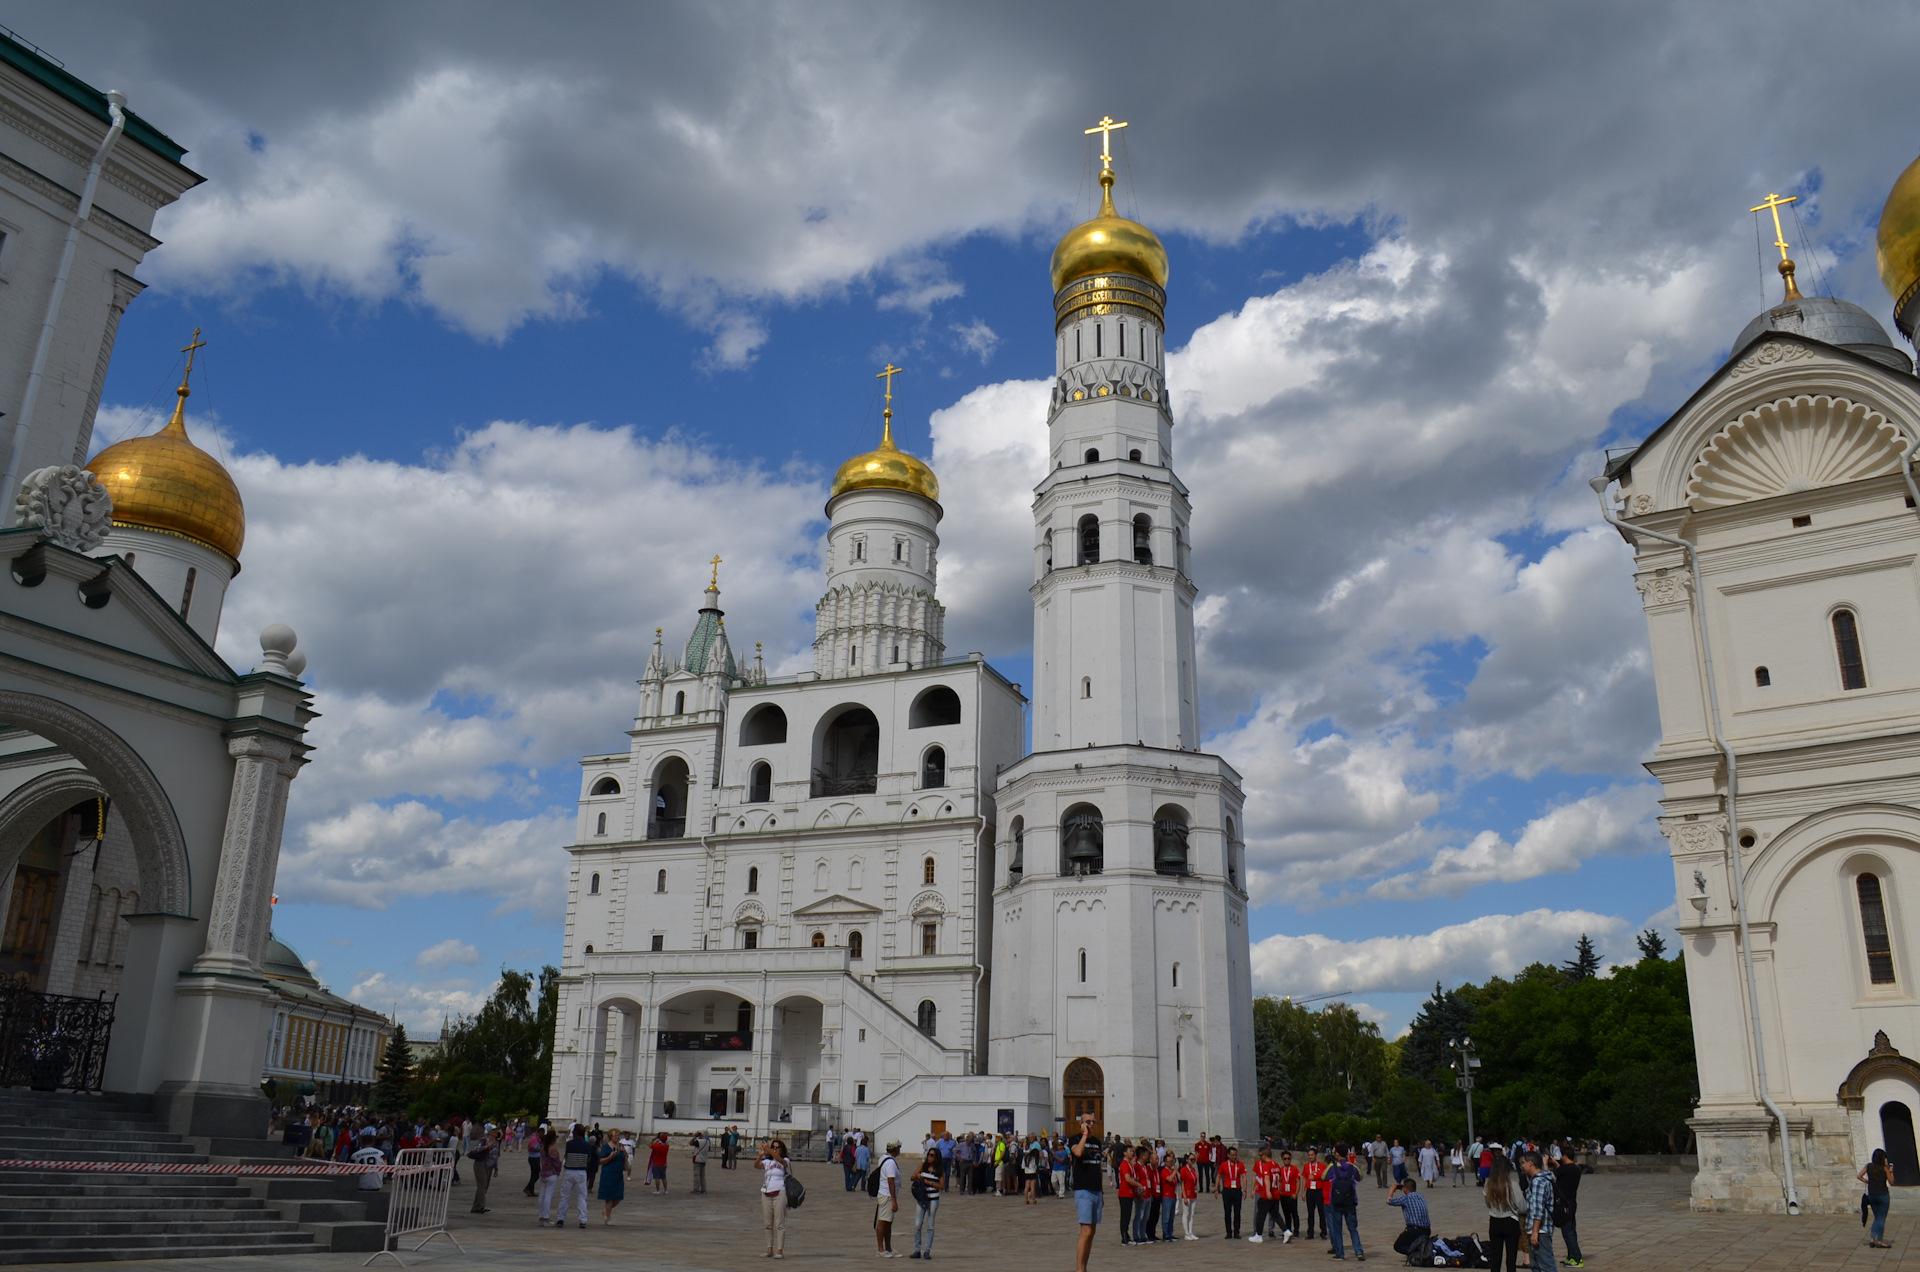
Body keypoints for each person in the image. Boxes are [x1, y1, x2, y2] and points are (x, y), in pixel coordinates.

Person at [1067, 1113, 1103, 1272]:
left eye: (1093, 1122)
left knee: (1091, 1232)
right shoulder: (1075, 1139)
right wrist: (1084, 1135)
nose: (1091, 1124)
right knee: (1086, 1231)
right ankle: (1079, 1269)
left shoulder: (1097, 1143)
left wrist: (1101, 1192)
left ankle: (1084, 1267)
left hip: (1096, 1191)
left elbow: (1098, 1168)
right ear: (1081, 1124)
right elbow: (1078, 1153)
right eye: (1088, 1122)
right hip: (1083, 1190)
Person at [1484, 1154, 1527, 1272]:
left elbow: (1487, 1203)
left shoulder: (1488, 1185)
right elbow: (1522, 1207)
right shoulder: (1512, 1185)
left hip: (1494, 1221)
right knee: (1511, 1260)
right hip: (1510, 1221)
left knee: (1495, 1259)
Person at [1326, 1142, 1365, 1262]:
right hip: (1350, 1201)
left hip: (1336, 1202)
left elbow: (1324, 1177)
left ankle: (1340, 1253)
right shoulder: (1352, 1167)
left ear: (1337, 1154)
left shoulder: (1332, 1167)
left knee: (1337, 1228)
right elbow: (1360, 1177)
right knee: (1353, 1228)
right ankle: (1358, 1251)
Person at [1519, 1152, 1557, 1272]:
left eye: (1523, 1163)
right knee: (1536, 1265)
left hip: (1541, 1230)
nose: (1521, 1166)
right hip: (1538, 1229)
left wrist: (1535, 1231)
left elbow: (1537, 1208)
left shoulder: (1538, 1182)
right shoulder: (1539, 1179)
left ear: (1531, 1163)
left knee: (1546, 1265)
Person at [758, 1138, 790, 1260]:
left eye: (777, 1147)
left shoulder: (785, 1161)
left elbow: (781, 1161)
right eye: (773, 1147)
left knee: (779, 1223)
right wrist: (760, 1156)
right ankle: (769, 1248)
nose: (775, 1149)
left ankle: (780, 1250)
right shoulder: (768, 1162)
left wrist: (768, 1150)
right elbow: (756, 1165)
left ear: (782, 1149)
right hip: (766, 1193)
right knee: (768, 1224)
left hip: (780, 1192)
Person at [909, 1147, 943, 1260]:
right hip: (921, 1198)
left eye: (932, 1155)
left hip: (933, 1199)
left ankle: (927, 1250)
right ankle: (917, 1249)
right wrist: (917, 1176)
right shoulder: (922, 1166)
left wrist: (928, 1182)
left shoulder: (939, 1170)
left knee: (930, 1225)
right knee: (917, 1225)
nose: (929, 1157)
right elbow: (912, 1177)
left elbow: (941, 1186)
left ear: (936, 1157)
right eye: (929, 1155)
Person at [1550, 1152, 1584, 1266]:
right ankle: (1571, 1256)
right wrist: (1555, 1163)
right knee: (1572, 1230)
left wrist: (1546, 1163)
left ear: (1565, 1156)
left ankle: (1577, 1258)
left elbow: (1552, 1175)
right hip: (1572, 1202)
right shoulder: (1576, 1168)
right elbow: (1563, 1172)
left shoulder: (1564, 1169)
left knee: (1567, 1232)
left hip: (1564, 1204)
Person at [1388, 1176, 1430, 1258]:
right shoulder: (1421, 1197)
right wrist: (1403, 1187)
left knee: (1398, 1246)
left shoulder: (1406, 1198)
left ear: (1405, 1189)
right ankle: (1420, 1249)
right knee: (1410, 1241)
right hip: (1427, 1230)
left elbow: (1389, 1201)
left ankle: (1417, 1254)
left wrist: (1392, 1190)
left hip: (1414, 1230)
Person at [1861, 1147, 1894, 1249]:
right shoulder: (1884, 1168)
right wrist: (1891, 1171)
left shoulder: (1868, 1166)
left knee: (1876, 1218)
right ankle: (1879, 1241)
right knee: (1881, 1219)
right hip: (1883, 1195)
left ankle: (1872, 1239)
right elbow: (1892, 1182)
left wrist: (1867, 1181)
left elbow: (1859, 1176)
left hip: (1872, 1195)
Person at [875, 1139, 902, 1258]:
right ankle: (881, 1249)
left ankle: (888, 1248)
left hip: (884, 1194)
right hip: (887, 1195)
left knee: (888, 1223)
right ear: (895, 1149)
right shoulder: (890, 1163)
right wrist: (894, 1200)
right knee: (883, 1221)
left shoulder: (883, 1158)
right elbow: (891, 1181)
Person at [597, 1131, 629, 1225]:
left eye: (618, 1135)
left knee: (618, 1196)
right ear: (610, 1137)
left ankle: (605, 1211)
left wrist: (625, 1153)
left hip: (618, 1174)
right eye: (615, 1135)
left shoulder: (621, 1146)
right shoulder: (606, 1147)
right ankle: (608, 1217)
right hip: (608, 1173)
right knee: (609, 1197)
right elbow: (601, 1161)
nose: (617, 1137)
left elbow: (625, 1157)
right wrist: (610, 1157)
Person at [1248, 1144, 1278, 1243]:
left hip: (1268, 1191)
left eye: (1262, 1155)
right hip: (1259, 1190)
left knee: (1272, 1212)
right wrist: (1252, 1189)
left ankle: (1271, 1230)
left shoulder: (1271, 1164)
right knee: (1257, 1211)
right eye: (1259, 1155)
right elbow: (1254, 1176)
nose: (1260, 1157)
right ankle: (1256, 1230)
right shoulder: (1257, 1164)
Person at [466, 1127, 499, 1214]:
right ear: (490, 1132)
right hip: (480, 1165)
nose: (496, 1132)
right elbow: (475, 1149)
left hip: (489, 1166)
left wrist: (496, 1168)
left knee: (485, 1186)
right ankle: (481, 1205)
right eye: (494, 1130)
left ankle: (476, 1206)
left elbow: (496, 1156)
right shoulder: (484, 1140)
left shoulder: (496, 1142)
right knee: (482, 1185)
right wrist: (486, 1146)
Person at [535, 1129, 562, 1226]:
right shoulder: (553, 1149)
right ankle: (546, 1217)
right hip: (552, 1174)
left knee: (542, 1195)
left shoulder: (542, 1148)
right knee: (548, 1196)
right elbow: (557, 1163)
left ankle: (541, 1216)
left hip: (544, 1173)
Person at [1217, 1145, 1245, 1238]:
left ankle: (1237, 1231)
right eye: (1233, 1155)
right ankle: (1228, 1232)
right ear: (1228, 1155)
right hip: (1227, 1190)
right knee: (1227, 1212)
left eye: (1236, 1155)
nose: (1234, 1157)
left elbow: (1244, 1176)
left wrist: (1244, 1189)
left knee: (1237, 1212)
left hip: (1237, 1190)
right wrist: (1216, 1188)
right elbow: (1218, 1176)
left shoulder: (1240, 1164)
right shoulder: (1224, 1165)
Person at [1302, 1147, 1326, 1242]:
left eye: (1312, 1155)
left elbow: (1324, 1177)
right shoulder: (1306, 1166)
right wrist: (1303, 1192)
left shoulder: (1321, 1166)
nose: (1310, 1157)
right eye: (1309, 1155)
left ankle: (1323, 1232)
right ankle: (1310, 1232)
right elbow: (1304, 1178)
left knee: (1321, 1212)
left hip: (1319, 1191)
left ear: (1316, 1155)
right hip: (1310, 1191)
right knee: (1310, 1213)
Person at [1276, 1149, 1300, 1243]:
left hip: (1292, 1194)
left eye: (1288, 1159)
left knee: (1294, 1213)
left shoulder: (1294, 1169)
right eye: (1285, 1159)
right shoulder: (1281, 1170)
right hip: (1284, 1195)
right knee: (1286, 1214)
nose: (1287, 1160)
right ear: (1282, 1159)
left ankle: (1296, 1230)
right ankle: (1288, 1230)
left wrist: (1296, 1193)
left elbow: (1298, 1181)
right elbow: (1280, 1181)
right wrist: (1280, 1191)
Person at [1176, 1154, 1199, 1240]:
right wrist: (1184, 1196)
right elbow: (1182, 1184)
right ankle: (1186, 1233)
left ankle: (1190, 1231)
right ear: (1187, 1160)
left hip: (1193, 1194)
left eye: (1194, 1160)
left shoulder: (1193, 1169)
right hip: (1187, 1194)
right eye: (1191, 1159)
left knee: (1191, 1214)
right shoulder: (1184, 1170)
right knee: (1186, 1214)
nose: (1193, 1161)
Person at [690, 1130, 710, 1195]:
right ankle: (704, 1189)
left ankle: (696, 1189)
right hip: (704, 1160)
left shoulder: (699, 1141)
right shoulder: (708, 1142)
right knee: (702, 1176)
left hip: (697, 1160)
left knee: (697, 1175)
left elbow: (690, 1143)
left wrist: (694, 1137)